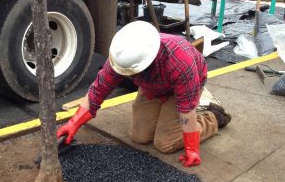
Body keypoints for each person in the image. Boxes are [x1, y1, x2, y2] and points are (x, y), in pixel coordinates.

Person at [57, 21, 231, 167]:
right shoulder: (123, 57)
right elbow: (98, 90)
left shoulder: (179, 61)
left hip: (184, 88)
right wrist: (73, 123)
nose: (127, 76)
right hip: (153, 87)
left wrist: (192, 149)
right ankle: (165, 114)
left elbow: (186, 110)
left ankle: (213, 118)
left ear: (147, 63)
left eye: (131, 73)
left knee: (165, 143)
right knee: (139, 136)